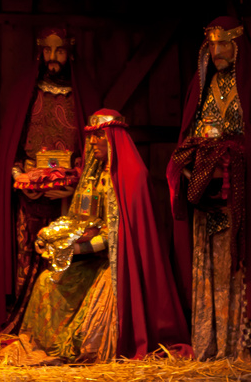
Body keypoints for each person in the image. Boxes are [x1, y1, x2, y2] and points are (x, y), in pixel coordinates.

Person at [13, 109, 189, 362]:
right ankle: (49, 346)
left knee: (98, 305)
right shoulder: (92, 177)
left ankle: (82, 346)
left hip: (119, 266)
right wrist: (52, 236)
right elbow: (79, 220)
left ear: (114, 138)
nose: (93, 143)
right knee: (46, 282)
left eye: (99, 137)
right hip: (90, 258)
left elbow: (119, 236)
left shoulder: (132, 177)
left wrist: (76, 250)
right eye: (91, 137)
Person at [168, 16, 251, 360]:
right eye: (211, 45)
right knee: (209, 268)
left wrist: (233, 157)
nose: (216, 51)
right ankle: (209, 343)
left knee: (240, 271)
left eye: (223, 44)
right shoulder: (204, 87)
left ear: (238, 45)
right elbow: (192, 131)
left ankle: (238, 347)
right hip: (207, 201)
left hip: (240, 200)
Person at [0, 26, 99, 340]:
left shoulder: (82, 96)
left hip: (68, 199)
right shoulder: (27, 92)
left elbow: (92, 148)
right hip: (30, 195)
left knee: (63, 259)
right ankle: (22, 322)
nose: (53, 58)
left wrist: (74, 182)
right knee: (27, 257)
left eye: (59, 51)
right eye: (48, 51)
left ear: (70, 53)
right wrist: (20, 177)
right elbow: (15, 149)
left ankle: (57, 329)